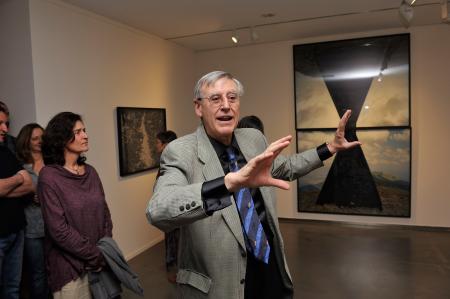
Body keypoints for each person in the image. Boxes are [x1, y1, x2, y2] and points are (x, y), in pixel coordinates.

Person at [146, 71, 361, 299]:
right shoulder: (180, 151)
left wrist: (330, 148)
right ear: (198, 107)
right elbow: (158, 210)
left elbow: (285, 166)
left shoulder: (253, 138)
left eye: (232, 97)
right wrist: (226, 184)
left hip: (268, 263)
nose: (226, 106)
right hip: (220, 283)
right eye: (216, 99)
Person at [38, 112, 113, 299]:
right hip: (69, 269)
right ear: (62, 138)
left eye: (84, 130)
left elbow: (105, 214)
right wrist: (94, 255)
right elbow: (59, 230)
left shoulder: (91, 172)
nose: (85, 135)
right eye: (78, 132)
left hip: (100, 263)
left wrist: (105, 249)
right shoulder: (49, 177)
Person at [0, 104, 34, 299]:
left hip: (17, 230)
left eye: (6, 124)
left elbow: (30, 185)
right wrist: (18, 179)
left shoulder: (6, 151)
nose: (5, 129)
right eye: (0, 124)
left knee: (13, 289)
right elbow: (22, 180)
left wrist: (6, 187)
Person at [15, 123, 49, 299]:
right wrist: (29, 196)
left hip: (54, 227)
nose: (39, 141)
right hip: (31, 230)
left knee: (56, 270)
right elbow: (11, 195)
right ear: (26, 141)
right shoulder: (20, 167)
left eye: (42, 137)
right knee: (37, 275)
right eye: (35, 138)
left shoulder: (52, 163)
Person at [155, 130, 179, 283]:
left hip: (174, 211)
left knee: (175, 243)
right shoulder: (169, 161)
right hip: (170, 212)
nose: (155, 146)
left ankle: (177, 273)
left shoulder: (171, 164)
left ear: (165, 145)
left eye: (157, 143)